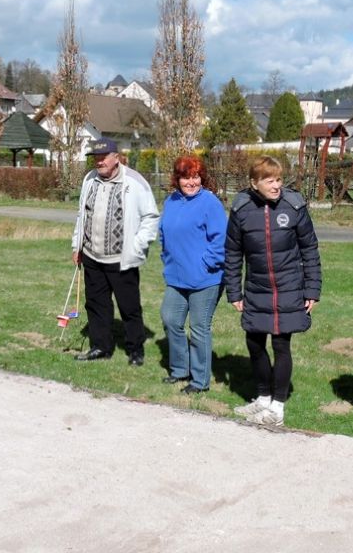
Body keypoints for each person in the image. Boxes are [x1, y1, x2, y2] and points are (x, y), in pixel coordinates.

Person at [224, 156, 321, 426]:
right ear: (254, 183)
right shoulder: (241, 210)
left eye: (278, 179)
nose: (276, 185)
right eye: (269, 180)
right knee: (254, 343)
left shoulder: (294, 206)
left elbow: (310, 249)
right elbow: (233, 253)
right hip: (256, 288)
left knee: (281, 344)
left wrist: (311, 289)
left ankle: (277, 407)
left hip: (289, 288)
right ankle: (263, 398)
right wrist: (234, 291)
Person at [72, 138, 159, 366]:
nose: (99, 162)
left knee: (129, 307)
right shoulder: (89, 180)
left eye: (103, 157)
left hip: (121, 259)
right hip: (92, 255)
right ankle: (100, 346)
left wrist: (136, 246)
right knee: (96, 304)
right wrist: (77, 245)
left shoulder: (135, 182)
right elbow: (82, 214)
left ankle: (135, 350)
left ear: (116, 158)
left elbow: (151, 218)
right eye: (95, 158)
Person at [158, 155, 227, 394]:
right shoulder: (172, 201)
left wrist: (206, 264)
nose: (191, 182)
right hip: (176, 277)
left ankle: (199, 381)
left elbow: (220, 241)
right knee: (170, 319)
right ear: (177, 179)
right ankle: (179, 370)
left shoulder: (210, 203)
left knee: (199, 328)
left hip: (205, 279)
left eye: (196, 177)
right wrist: (167, 258)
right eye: (186, 177)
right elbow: (164, 232)